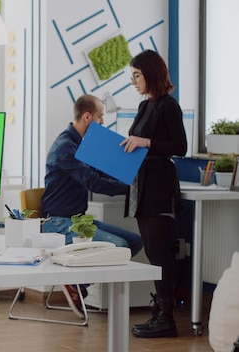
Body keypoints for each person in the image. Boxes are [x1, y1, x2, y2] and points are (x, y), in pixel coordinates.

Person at [41, 94, 144, 318]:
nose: (102, 123)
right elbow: (93, 181)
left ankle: (78, 282)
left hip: (78, 219)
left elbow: (99, 172)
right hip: (58, 222)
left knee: (134, 242)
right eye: (100, 117)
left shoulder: (82, 145)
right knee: (119, 246)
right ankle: (75, 282)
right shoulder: (65, 148)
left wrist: (132, 175)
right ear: (87, 117)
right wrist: (131, 189)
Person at [120, 50, 187, 338]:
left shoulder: (169, 106)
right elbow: (139, 144)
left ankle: (167, 319)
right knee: (152, 252)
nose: (134, 81)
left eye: (137, 75)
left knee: (160, 254)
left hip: (159, 188)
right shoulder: (145, 106)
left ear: (150, 74)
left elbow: (180, 146)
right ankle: (159, 313)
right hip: (142, 187)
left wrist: (144, 141)